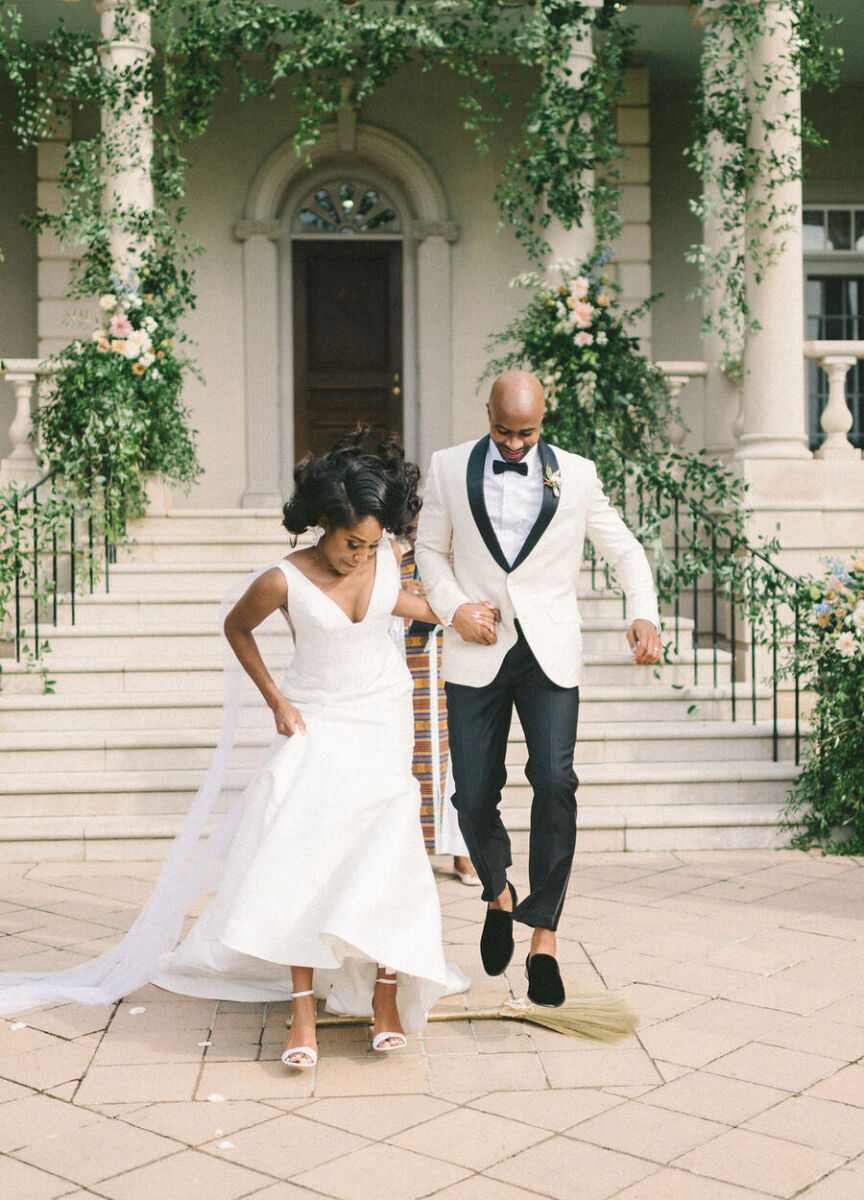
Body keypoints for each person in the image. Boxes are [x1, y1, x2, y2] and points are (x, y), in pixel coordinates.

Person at [151, 436, 471, 1065]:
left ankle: (385, 997)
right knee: (300, 856)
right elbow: (236, 628)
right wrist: (275, 699)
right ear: (323, 523)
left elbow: (398, 601)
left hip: (383, 718)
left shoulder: (384, 559)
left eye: (374, 545)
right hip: (317, 720)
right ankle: (302, 1014)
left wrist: (461, 613)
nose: (363, 556)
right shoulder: (281, 579)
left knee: (390, 854)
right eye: (353, 543)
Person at [415, 371, 661, 1007]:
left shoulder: (576, 474)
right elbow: (428, 553)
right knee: (472, 794)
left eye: (528, 433)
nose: (517, 445)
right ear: (487, 413)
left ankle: (544, 933)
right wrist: (453, 607)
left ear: (543, 420)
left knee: (556, 783)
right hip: (477, 648)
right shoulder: (446, 469)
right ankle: (499, 893)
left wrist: (644, 612)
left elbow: (627, 551)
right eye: (504, 431)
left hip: (550, 650)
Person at [400, 535, 479, 883]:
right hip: (410, 665)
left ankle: (464, 851)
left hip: (456, 663)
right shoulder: (394, 562)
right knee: (410, 755)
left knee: (462, 758)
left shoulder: (465, 561)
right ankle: (411, 849)